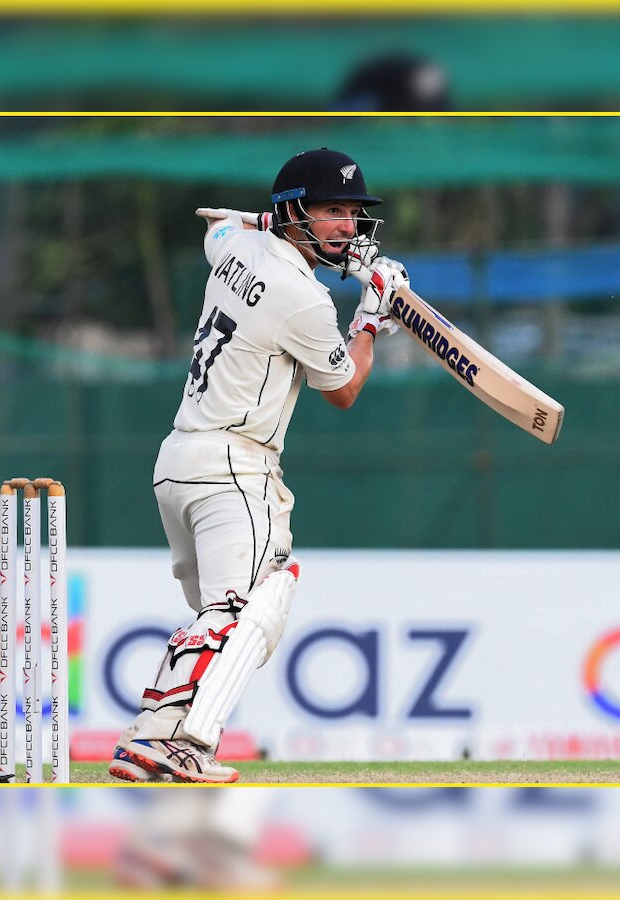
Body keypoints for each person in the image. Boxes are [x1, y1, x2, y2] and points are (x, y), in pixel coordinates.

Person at [109, 148, 409, 783]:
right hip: (233, 466)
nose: (349, 228)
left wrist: (261, 223)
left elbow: (222, 229)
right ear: (294, 210)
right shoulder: (300, 298)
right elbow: (345, 389)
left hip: (178, 460)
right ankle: (162, 739)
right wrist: (371, 316)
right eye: (333, 211)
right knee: (251, 607)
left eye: (354, 214)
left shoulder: (234, 248)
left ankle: (168, 740)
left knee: (228, 618)